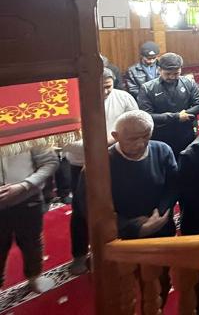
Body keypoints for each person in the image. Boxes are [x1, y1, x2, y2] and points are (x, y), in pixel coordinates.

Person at [77, 111, 177, 301]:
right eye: (132, 139)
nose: (140, 144)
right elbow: (91, 209)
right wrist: (136, 228)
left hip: (160, 230)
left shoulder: (162, 150)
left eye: (146, 136)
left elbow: (172, 186)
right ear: (115, 136)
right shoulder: (99, 165)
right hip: (120, 237)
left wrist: (161, 213)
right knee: (121, 287)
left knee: (160, 281)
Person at [65, 68, 137, 275]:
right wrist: (107, 142)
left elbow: (135, 122)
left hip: (118, 160)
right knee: (81, 211)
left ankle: (121, 245)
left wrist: (114, 142)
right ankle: (79, 255)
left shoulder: (123, 98)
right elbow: (66, 142)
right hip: (81, 164)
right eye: (100, 88)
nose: (105, 92)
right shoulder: (71, 102)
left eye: (108, 87)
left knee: (118, 203)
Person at [0, 146, 58, 293]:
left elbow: (50, 162)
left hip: (28, 198)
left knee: (32, 243)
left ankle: (34, 277)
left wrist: (24, 186)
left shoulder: (28, 133)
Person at [137, 52, 199, 158]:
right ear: (159, 70)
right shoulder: (147, 88)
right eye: (168, 74)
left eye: (176, 73)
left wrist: (185, 114)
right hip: (161, 136)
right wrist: (176, 117)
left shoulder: (188, 83)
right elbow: (146, 116)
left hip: (186, 133)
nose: (172, 77)